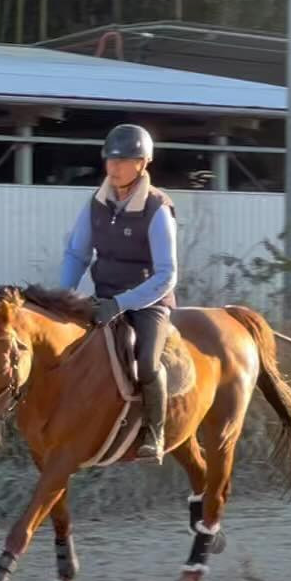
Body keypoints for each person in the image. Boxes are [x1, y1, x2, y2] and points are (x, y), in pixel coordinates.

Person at [58, 123, 179, 462]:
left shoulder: (157, 209)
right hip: (103, 297)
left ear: (142, 164)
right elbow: (77, 254)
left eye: (122, 161)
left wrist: (123, 303)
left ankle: (156, 432)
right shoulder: (96, 203)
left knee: (147, 362)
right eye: (109, 161)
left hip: (147, 302)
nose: (113, 167)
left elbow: (166, 275)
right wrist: (62, 298)